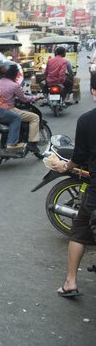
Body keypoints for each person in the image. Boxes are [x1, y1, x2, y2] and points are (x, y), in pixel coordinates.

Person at [53, 74, 96, 297]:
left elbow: (78, 156)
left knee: (79, 232)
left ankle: (70, 282)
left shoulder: (86, 120)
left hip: (95, 191)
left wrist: (65, 166)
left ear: (93, 91)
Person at [0, 63, 42, 155]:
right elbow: (24, 98)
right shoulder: (14, 85)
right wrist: (35, 97)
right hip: (9, 109)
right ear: (14, 73)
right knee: (35, 117)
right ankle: (32, 143)